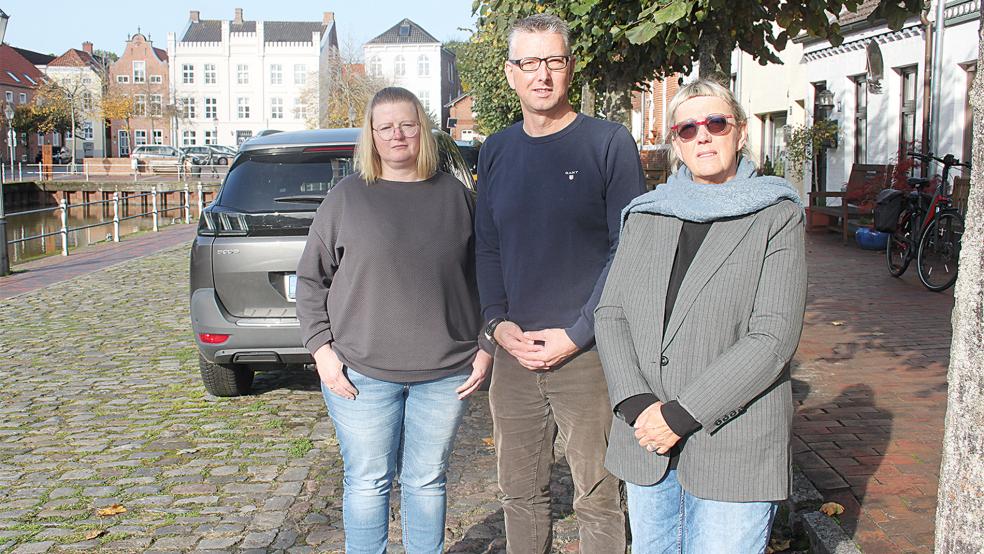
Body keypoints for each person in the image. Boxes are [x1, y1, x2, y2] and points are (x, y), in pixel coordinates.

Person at [594, 78, 807, 553]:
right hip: (646, 436)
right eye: (688, 129)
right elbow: (610, 315)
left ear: (741, 132)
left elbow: (772, 338)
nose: (703, 136)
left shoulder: (776, 214)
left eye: (715, 123)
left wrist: (682, 414)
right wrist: (636, 404)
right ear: (676, 141)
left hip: (733, 441)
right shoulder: (648, 213)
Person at [474, 13, 646, 554]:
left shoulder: (608, 143)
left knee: (598, 496)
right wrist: (497, 325)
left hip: (587, 355)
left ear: (570, 67)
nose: (542, 75)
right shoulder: (496, 151)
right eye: (530, 63)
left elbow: (628, 249)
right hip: (515, 356)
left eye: (553, 61)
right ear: (511, 73)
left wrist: (578, 333)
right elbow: (488, 246)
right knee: (519, 493)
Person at [295, 86, 492, 554]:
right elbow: (309, 281)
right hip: (359, 374)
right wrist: (322, 353)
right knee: (367, 482)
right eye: (385, 127)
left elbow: (490, 278)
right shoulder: (345, 199)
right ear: (372, 136)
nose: (397, 135)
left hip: (445, 373)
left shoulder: (460, 199)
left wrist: (486, 346)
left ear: (423, 130)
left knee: (426, 481)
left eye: (407, 124)